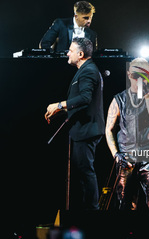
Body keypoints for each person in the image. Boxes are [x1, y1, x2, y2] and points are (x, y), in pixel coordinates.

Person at [44, 37, 104, 210]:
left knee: (86, 172)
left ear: (80, 54)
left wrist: (60, 104)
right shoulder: (85, 70)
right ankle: (87, 211)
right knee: (82, 173)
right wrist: (60, 110)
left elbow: (85, 98)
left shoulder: (89, 71)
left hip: (87, 130)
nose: (67, 53)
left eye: (70, 50)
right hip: (83, 129)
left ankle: (92, 212)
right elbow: (81, 102)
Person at [105, 57, 149, 210]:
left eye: (143, 75)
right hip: (127, 157)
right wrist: (115, 154)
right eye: (135, 75)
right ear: (128, 74)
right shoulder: (119, 99)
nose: (139, 79)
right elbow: (108, 129)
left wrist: (147, 96)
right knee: (123, 200)